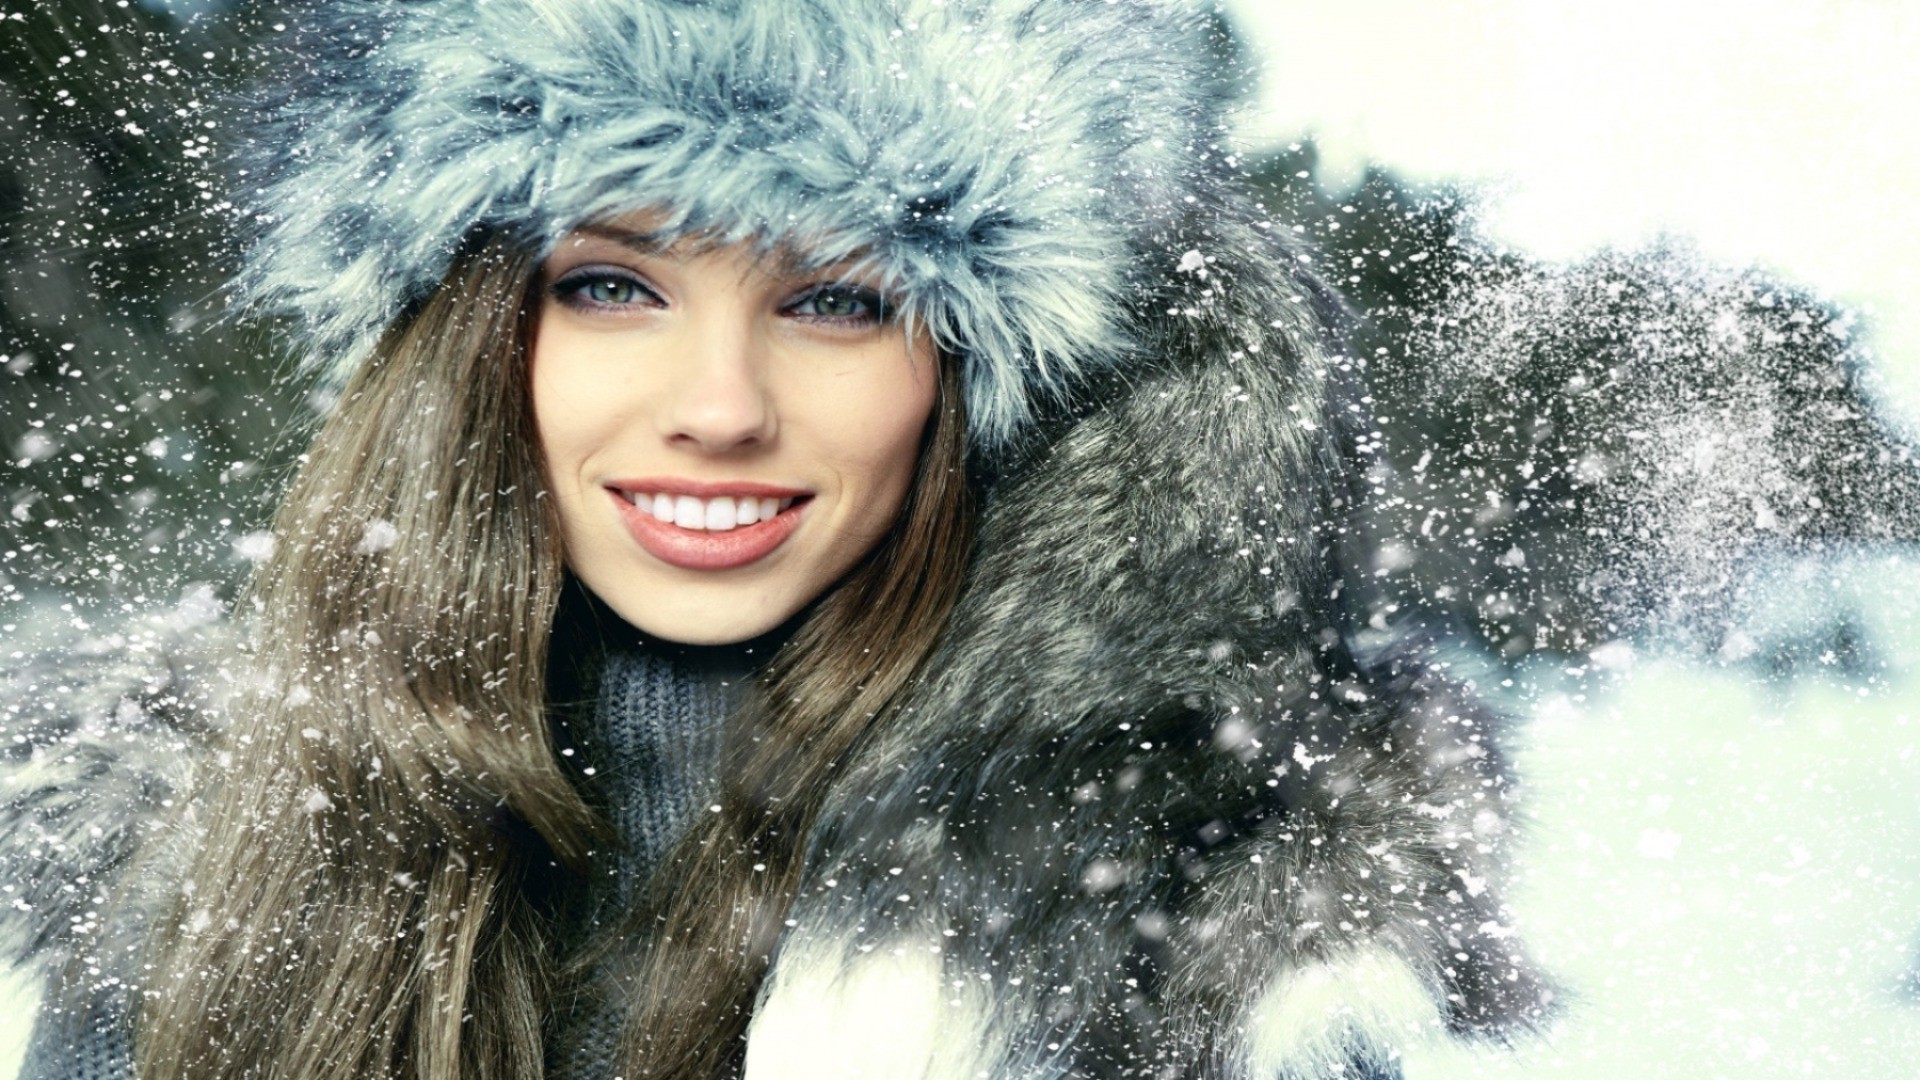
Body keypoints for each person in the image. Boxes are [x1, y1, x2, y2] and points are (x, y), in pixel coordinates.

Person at [0, 1, 1552, 1076]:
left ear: (971, 378)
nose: (721, 408)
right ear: (474, 340)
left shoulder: (1183, 914)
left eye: (838, 299)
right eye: (615, 285)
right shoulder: (203, 845)